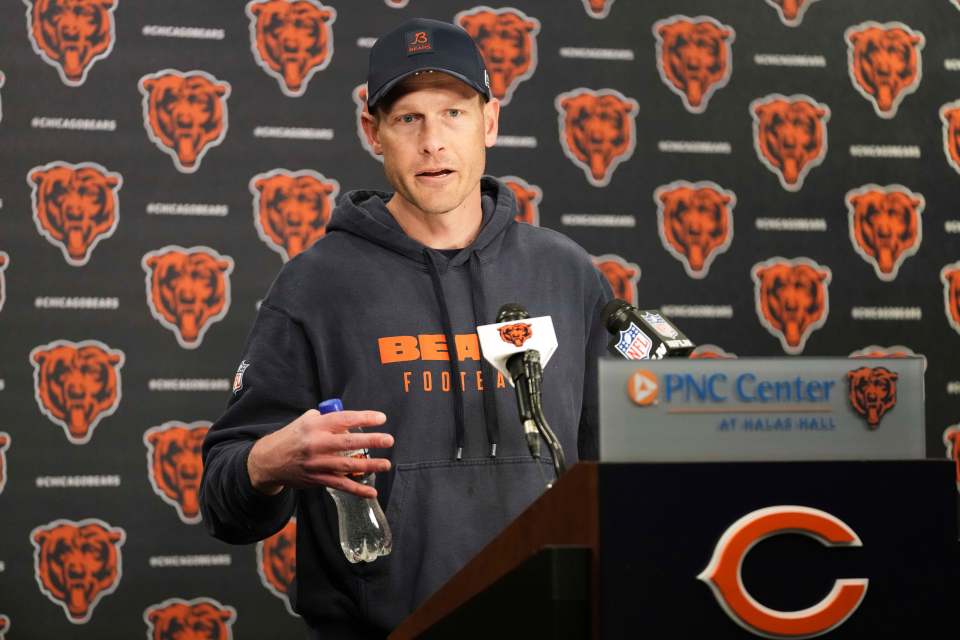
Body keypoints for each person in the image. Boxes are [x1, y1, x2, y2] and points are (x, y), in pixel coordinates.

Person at [199, 17, 611, 639]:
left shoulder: (567, 273)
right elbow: (223, 503)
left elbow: (622, 470)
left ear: (489, 122)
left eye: (453, 113)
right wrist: (268, 460)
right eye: (407, 118)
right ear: (374, 133)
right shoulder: (315, 287)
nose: (433, 142)